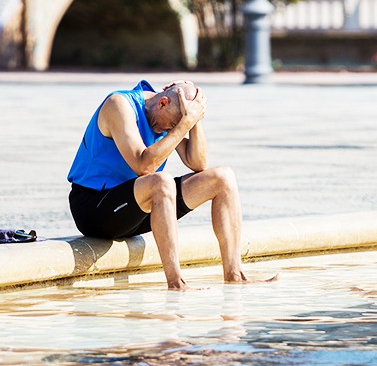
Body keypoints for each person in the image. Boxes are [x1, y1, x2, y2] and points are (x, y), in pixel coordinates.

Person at [67, 79, 277, 290]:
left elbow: (198, 163)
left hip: (135, 209)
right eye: (172, 124)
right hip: (94, 209)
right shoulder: (119, 105)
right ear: (163, 102)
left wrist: (195, 118)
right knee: (161, 181)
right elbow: (143, 166)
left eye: (177, 125)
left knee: (223, 178)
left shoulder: (169, 116)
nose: (170, 129)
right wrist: (183, 124)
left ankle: (234, 274)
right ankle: (176, 282)